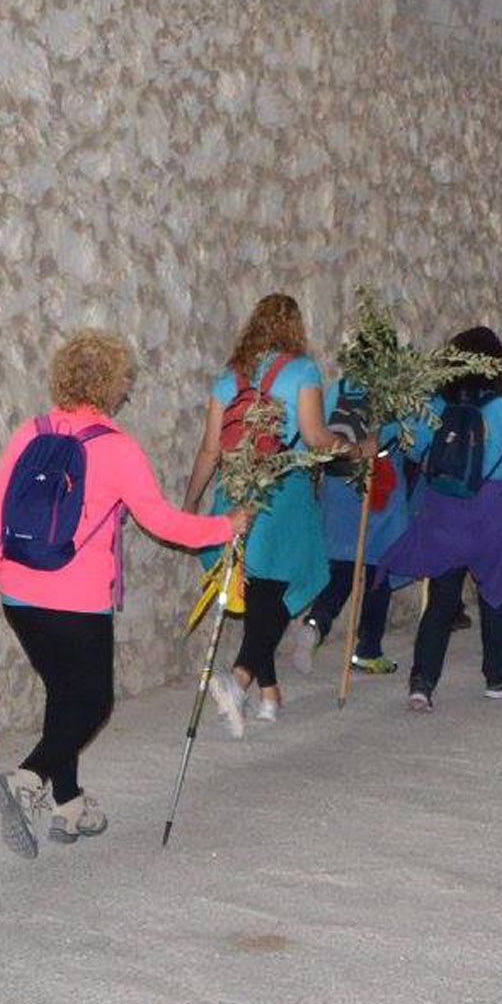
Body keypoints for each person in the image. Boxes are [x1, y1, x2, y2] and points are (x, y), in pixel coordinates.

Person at [0, 330, 246, 856]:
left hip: (21, 597)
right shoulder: (117, 448)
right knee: (94, 701)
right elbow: (164, 522)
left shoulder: (30, 432)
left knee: (64, 693)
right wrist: (226, 526)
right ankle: (27, 779)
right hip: (77, 601)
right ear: (116, 384)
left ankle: (68, 804)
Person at [184, 294, 351, 731]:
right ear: (294, 328)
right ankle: (238, 680)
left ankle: (270, 697)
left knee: (261, 593)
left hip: (234, 492)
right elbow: (314, 436)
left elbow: (209, 449)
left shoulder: (229, 378)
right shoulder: (302, 371)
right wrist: (351, 447)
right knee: (294, 580)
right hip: (283, 494)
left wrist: (189, 505)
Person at [381, 327, 502, 711]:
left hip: (444, 511)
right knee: (495, 592)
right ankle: (497, 674)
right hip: (491, 513)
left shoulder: (435, 408)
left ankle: (422, 683)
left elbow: (414, 449)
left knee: (441, 599)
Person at [293, 376, 417, 679]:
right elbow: (413, 442)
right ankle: (368, 650)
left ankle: (315, 623)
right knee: (378, 573)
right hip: (378, 490)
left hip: (338, 487)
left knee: (343, 570)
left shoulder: (341, 388)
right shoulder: (395, 392)